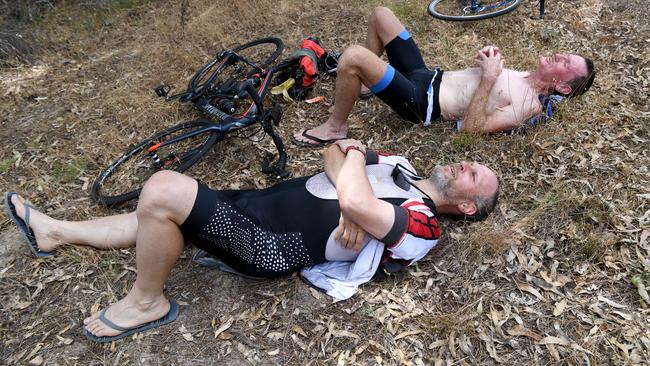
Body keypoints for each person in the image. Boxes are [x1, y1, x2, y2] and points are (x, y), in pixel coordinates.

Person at [4, 139, 499, 343]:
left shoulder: (423, 227)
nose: (466, 164)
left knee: (164, 190)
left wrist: (354, 179)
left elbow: (354, 196)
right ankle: (55, 233)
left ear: (468, 207)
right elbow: (335, 150)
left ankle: (146, 301)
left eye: (475, 174)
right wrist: (352, 171)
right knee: (157, 214)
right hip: (256, 203)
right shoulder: (400, 168)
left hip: (269, 245)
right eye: (472, 162)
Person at [293, 7, 596, 146]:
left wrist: (489, 78)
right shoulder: (523, 76)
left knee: (354, 56)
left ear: (564, 86)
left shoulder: (529, 106)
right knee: (381, 14)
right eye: (566, 53)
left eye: (566, 62)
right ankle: (363, 84)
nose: (560, 55)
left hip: (419, 102)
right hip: (425, 75)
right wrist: (484, 62)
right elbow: (472, 85)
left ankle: (335, 127)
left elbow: (472, 129)